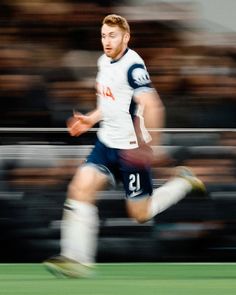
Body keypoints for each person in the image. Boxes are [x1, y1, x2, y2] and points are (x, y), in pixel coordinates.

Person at [44, 14, 205, 278]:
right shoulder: (103, 61)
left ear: (126, 37)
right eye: (104, 36)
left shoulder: (134, 67)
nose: (107, 41)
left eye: (113, 36)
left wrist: (150, 146)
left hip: (131, 150)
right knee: (79, 188)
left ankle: (183, 182)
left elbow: (153, 105)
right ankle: (75, 260)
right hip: (106, 143)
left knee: (139, 214)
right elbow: (110, 103)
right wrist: (90, 119)